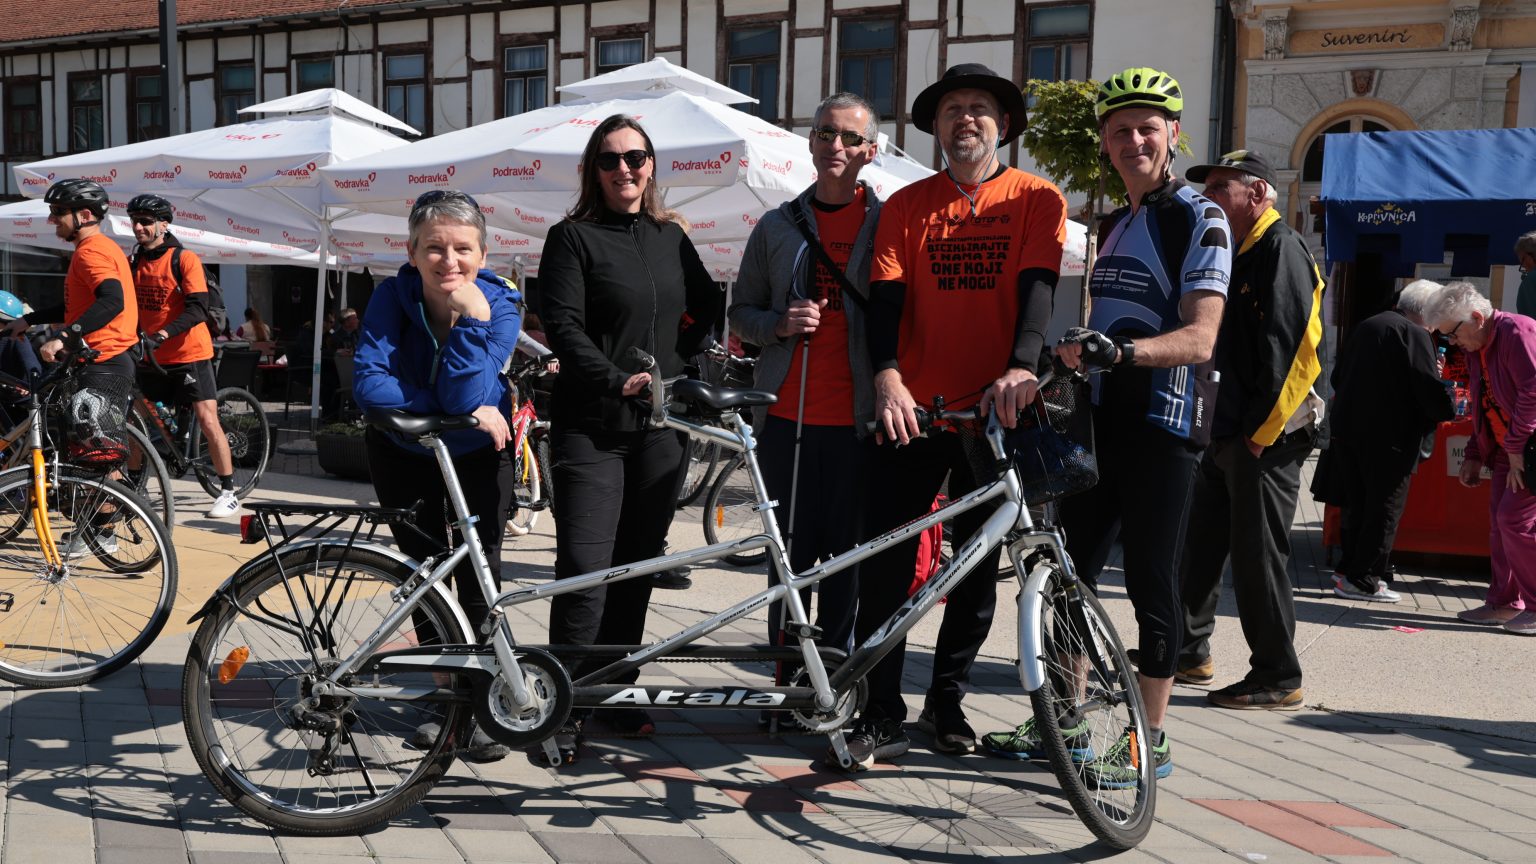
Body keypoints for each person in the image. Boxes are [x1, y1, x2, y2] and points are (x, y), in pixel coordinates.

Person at [986, 68, 1230, 786]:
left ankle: (1148, 741)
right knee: (1068, 578)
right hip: (1103, 423)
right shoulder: (1115, 222)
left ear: (1172, 134)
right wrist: (1072, 355)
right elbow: (1107, 327)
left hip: (1165, 424)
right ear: (1104, 142)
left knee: (1153, 586)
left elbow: (1201, 338)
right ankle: (1064, 723)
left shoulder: (1200, 217)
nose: (1134, 141)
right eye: (1120, 130)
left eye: (1147, 128)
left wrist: (1119, 353)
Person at [837, 63, 1067, 771]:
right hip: (914, 410)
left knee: (975, 565)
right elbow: (885, 304)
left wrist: (1021, 367)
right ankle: (881, 710)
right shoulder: (907, 206)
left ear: (1003, 125)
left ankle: (946, 700)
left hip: (995, 412)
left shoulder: (1037, 198)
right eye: (951, 110)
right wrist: (887, 377)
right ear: (934, 128)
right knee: (887, 564)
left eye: (979, 108)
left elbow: (1038, 292)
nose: (965, 118)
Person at [538, 114, 722, 762]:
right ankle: (561, 703)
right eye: (611, 159)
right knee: (585, 573)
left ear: (651, 165)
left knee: (636, 569)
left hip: (660, 432)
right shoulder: (571, 238)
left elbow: (708, 303)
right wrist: (617, 380)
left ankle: (612, 688)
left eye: (636, 157)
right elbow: (563, 326)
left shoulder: (670, 236)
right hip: (591, 428)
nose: (625, 169)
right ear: (593, 170)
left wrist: (681, 363)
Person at [352, 189, 523, 762]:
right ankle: (444, 697)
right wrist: (449, 412)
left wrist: (472, 320)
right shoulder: (390, 296)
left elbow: (464, 391)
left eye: (462, 249)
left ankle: (482, 694)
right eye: (433, 248)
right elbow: (370, 384)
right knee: (424, 572)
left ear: (483, 253)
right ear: (412, 251)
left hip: (479, 452)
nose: (449, 260)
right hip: (401, 450)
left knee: (479, 571)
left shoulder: (501, 305)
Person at [729, 92, 882, 686]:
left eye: (849, 137)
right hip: (785, 421)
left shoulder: (888, 224)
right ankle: (784, 679)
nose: (835, 145)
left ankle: (834, 679)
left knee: (847, 561)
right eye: (824, 133)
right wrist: (777, 324)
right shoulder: (776, 226)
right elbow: (740, 313)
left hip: (858, 424)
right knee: (787, 559)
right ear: (811, 142)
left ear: (870, 150)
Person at [1173, 151, 1324, 710]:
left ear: (1257, 193)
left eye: (1220, 187)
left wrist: (1258, 434)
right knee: (1201, 546)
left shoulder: (1280, 247)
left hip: (1265, 438)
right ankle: (1188, 652)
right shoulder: (1238, 248)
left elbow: (1294, 350)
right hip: (1226, 430)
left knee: (1257, 557)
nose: (1208, 196)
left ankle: (1278, 676)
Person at [1326, 280, 1454, 603]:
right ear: (1426, 311)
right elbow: (1429, 392)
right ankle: (1363, 579)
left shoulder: (1368, 324)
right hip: (1389, 438)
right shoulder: (1415, 334)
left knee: (1358, 504)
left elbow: (1337, 376)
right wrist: (1446, 399)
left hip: (1349, 430)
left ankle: (1348, 570)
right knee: (1384, 509)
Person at [125, 194, 242, 518]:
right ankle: (135, 484)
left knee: (207, 418)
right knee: (135, 419)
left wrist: (163, 333)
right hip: (150, 354)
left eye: (145, 222)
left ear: (164, 224)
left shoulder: (184, 259)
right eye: (134, 221)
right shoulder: (135, 261)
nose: (138, 227)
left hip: (189, 353)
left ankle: (228, 491)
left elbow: (198, 309)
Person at [1429, 282, 1536, 633]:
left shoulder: (1518, 332)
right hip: (1510, 449)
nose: (1452, 343)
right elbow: (1484, 402)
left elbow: (1533, 393)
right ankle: (1504, 603)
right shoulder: (1479, 346)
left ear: (1476, 318)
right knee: (1499, 525)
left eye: (1453, 333)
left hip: (1527, 449)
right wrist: (1475, 452)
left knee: (1514, 521)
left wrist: (1516, 447)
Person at [5, 179, 140, 445]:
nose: (51, 219)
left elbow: (113, 301)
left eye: (58, 211)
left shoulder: (92, 252)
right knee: (85, 445)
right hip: (101, 359)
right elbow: (75, 308)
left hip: (102, 360)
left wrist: (64, 337)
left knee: (98, 451)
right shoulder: (97, 248)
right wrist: (28, 320)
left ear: (85, 215)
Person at [1516, 232, 1536, 319]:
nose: (1523, 266)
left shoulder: (1530, 280)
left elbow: (1529, 319)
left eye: (1522, 261)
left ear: (1529, 257)